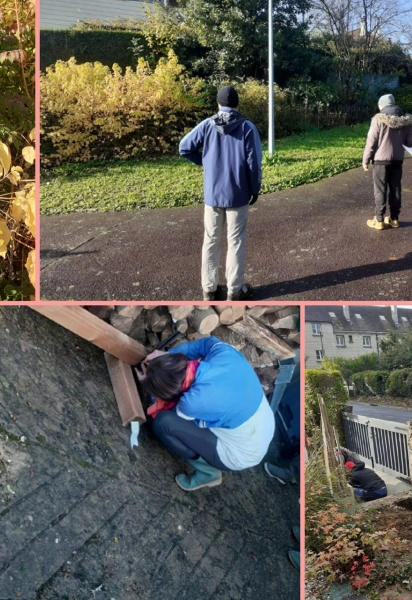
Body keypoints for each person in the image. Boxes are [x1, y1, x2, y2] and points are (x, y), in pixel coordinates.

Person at [137, 337, 275, 491]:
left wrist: (151, 383)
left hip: (240, 454)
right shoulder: (224, 351)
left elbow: (168, 410)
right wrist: (167, 355)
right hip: (261, 427)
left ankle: (208, 472)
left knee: (163, 423)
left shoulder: (192, 402)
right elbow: (205, 343)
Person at [179, 86, 262, 301]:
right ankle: (235, 291)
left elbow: (184, 147)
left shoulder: (207, 125)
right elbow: (254, 164)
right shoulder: (248, 128)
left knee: (211, 240)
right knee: (235, 241)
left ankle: (209, 289)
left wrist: (205, 161)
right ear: (236, 104)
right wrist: (255, 189)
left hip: (213, 194)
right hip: (238, 194)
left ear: (218, 103)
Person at [362, 93, 412, 230]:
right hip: (397, 160)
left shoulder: (378, 119)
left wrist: (366, 159)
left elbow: (371, 141)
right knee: (395, 188)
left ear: (381, 105)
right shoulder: (405, 120)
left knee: (380, 189)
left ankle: (379, 219)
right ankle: (394, 219)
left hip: (381, 161)